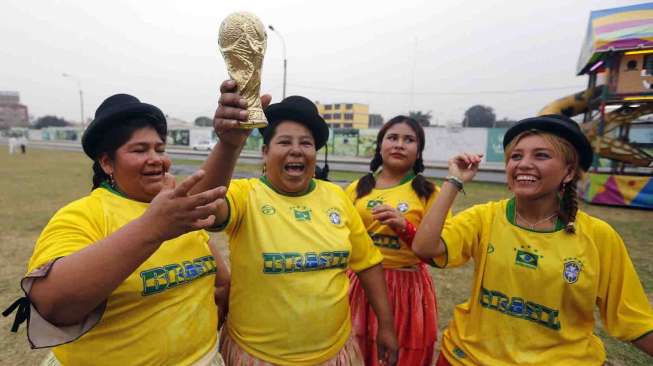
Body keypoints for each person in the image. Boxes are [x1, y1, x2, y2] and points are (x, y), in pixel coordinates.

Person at [3, 94, 229, 366]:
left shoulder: (175, 208)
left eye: (159, 148)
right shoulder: (84, 215)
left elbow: (220, 281)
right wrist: (154, 227)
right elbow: (53, 305)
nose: (156, 159)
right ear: (107, 162)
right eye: (139, 150)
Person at [412, 114, 653, 365]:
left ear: (569, 172)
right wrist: (454, 180)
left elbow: (634, 319)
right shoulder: (485, 217)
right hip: (467, 359)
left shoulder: (599, 236)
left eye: (541, 155)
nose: (523, 164)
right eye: (516, 156)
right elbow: (424, 247)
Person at [192, 80, 399, 365]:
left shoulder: (336, 197)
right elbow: (201, 205)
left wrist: (386, 326)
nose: (297, 150)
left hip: (334, 354)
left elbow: (368, 265)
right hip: (257, 356)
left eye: (306, 143)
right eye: (284, 142)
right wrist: (229, 145)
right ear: (265, 153)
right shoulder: (246, 194)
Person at [345, 116, 443, 365]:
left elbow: (437, 254)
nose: (399, 144)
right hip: (360, 282)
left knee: (400, 354)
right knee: (355, 350)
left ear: (418, 150)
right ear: (380, 146)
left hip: (406, 287)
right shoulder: (357, 189)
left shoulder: (430, 193)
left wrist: (405, 227)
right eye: (392, 138)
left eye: (409, 140)